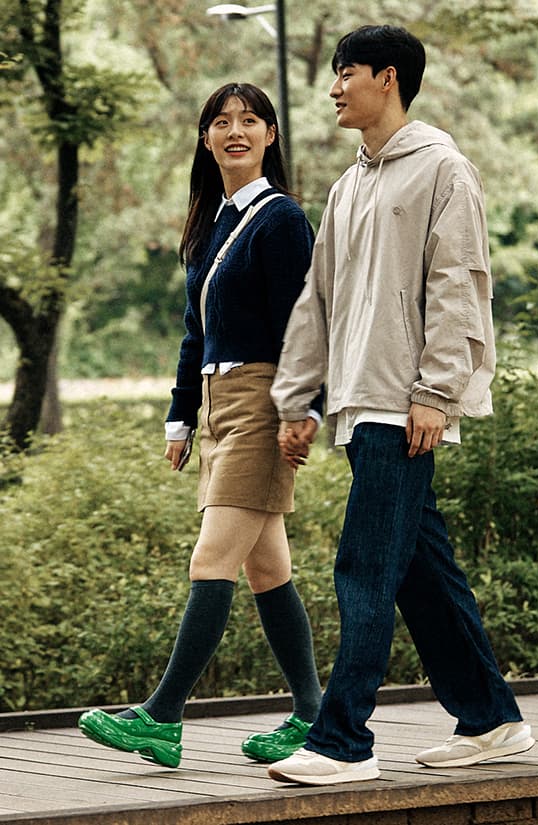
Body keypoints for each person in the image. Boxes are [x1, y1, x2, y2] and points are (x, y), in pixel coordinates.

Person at [267, 25, 535, 786]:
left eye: (345, 73)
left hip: (405, 405)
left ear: (387, 77)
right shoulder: (348, 185)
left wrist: (436, 393)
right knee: (421, 573)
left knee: (364, 569)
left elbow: (459, 285)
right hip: (359, 404)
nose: (333, 89)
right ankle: (492, 718)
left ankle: (343, 741)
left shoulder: (443, 169)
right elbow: (318, 301)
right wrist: (298, 399)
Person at [78, 82, 323, 769]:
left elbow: (306, 323)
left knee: (210, 561)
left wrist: (303, 408)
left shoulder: (281, 219)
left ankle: (161, 717)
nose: (235, 131)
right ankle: (313, 715)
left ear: (271, 135)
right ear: (205, 138)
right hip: (218, 407)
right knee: (266, 567)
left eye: (249, 120)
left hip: (263, 402)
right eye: (221, 121)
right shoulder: (212, 224)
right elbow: (196, 332)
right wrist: (180, 416)